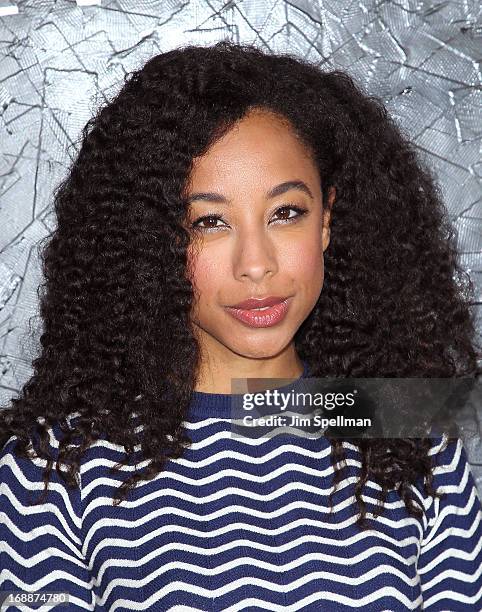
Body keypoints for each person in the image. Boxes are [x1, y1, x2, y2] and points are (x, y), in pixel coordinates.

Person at [1, 40, 481, 611]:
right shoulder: (54, 463)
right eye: (210, 221)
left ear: (326, 220)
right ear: (153, 240)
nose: (256, 263)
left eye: (286, 212)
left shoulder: (412, 430)